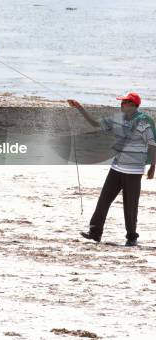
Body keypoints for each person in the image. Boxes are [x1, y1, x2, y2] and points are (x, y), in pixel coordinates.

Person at [68, 92, 156, 247]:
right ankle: (95, 233)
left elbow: (152, 144)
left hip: (134, 171)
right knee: (104, 200)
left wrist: (153, 166)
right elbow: (95, 123)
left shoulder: (144, 121)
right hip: (116, 167)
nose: (121, 105)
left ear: (133, 104)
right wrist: (79, 108)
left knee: (130, 206)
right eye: (121, 102)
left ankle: (131, 237)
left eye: (124, 102)